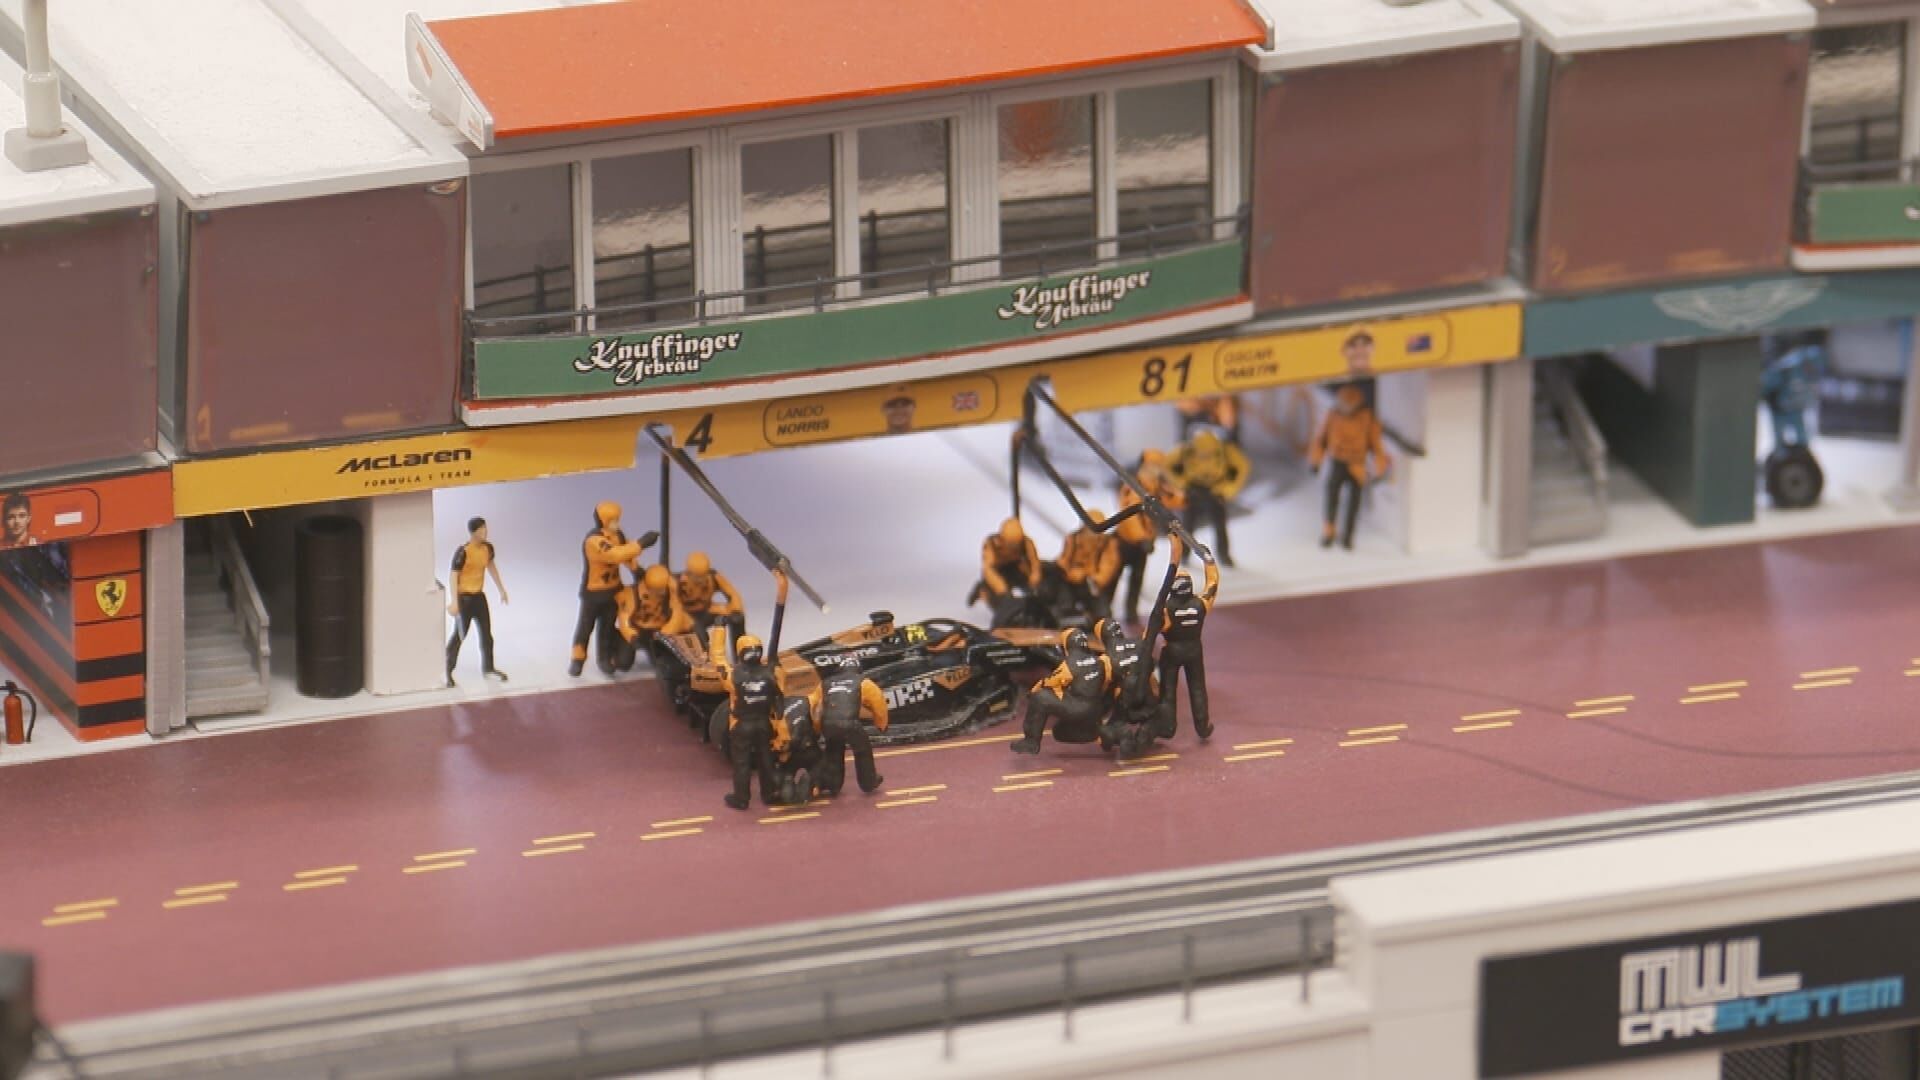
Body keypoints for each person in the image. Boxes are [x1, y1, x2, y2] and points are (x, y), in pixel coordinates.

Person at [570, 501, 657, 677]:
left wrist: (636, 569)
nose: (616, 523)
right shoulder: (594, 541)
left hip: (613, 592)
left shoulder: (618, 535)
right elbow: (615, 555)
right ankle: (577, 659)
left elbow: (626, 554)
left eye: (617, 519)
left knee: (607, 627)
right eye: (613, 520)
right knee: (585, 628)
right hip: (593, 593)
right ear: (603, 520)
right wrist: (641, 544)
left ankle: (604, 658)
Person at [1308, 381, 1391, 551]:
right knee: (1332, 497)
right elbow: (1322, 439)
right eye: (1343, 403)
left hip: (1357, 465)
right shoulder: (1333, 415)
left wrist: (1379, 468)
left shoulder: (1367, 418)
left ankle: (1348, 536)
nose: (1346, 407)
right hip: (1337, 462)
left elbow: (1376, 445)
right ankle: (1329, 532)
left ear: (1357, 403)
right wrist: (1316, 461)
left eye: (1349, 404)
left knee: (1354, 503)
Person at [1110, 451, 1185, 627]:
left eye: (1159, 466)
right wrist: (1141, 537)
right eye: (1154, 466)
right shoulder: (1134, 485)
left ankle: (1131, 611)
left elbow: (1170, 500)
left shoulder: (1156, 485)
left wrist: (1184, 497)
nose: (1157, 470)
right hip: (1124, 541)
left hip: (1143, 542)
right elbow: (1129, 513)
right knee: (1113, 577)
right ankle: (1104, 610)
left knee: (1136, 579)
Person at [1013, 628, 1112, 755]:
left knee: (1040, 697)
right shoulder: (1101, 661)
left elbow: (1050, 682)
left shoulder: (1069, 665)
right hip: (1096, 710)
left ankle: (1030, 742)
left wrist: (1032, 692)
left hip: (1078, 708)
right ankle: (1101, 733)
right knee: (1059, 732)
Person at [808, 654, 889, 795]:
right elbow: (879, 703)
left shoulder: (826, 683)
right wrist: (881, 725)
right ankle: (868, 782)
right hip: (851, 724)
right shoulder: (863, 682)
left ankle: (833, 784)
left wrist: (816, 728)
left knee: (833, 751)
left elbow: (813, 705)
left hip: (828, 724)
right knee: (862, 750)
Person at [1169, 430, 1249, 568]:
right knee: (1187, 525)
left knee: (1219, 525)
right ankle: (1184, 555)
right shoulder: (1185, 450)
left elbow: (1243, 466)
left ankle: (1224, 555)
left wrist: (1229, 488)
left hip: (1215, 490)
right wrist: (1181, 483)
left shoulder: (1224, 449)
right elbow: (1167, 464)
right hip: (1193, 489)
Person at [445, 517, 509, 686]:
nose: (485, 532)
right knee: (459, 635)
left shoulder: (487, 549)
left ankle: (488, 667)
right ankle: (447, 669)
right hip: (464, 599)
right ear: (473, 532)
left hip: (479, 598)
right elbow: (453, 576)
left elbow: (491, 567)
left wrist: (501, 589)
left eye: (485, 528)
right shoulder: (463, 551)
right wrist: (454, 601)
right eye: (481, 529)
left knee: (487, 635)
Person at [723, 635, 785, 810]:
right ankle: (770, 793)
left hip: (741, 724)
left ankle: (741, 798)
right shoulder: (772, 672)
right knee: (766, 759)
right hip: (764, 723)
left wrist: (720, 630)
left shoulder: (732, 674)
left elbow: (717, 658)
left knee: (741, 762)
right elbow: (780, 696)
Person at [1159, 564, 1220, 740]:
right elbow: (1212, 585)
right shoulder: (1201, 604)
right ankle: (1202, 726)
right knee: (1198, 688)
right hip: (1194, 650)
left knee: (1168, 690)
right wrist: (1209, 563)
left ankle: (1168, 726)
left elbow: (1153, 630)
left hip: (1171, 651)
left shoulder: (1165, 609)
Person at [1095, 617, 1163, 756]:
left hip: (1125, 703)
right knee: (1155, 720)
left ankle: (1122, 734)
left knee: (1107, 730)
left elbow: (1103, 688)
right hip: (1147, 698)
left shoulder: (1106, 659)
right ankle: (1147, 730)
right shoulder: (1140, 643)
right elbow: (1153, 671)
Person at [614, 563, 692, 669]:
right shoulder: (631, 593)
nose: (658, 593)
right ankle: (616, 640)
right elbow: (624, 618)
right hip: (637, 630)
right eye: (654, 590)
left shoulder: (671, 592)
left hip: (658, 631)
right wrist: (631, 636)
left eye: (661, 590)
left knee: (663, 664)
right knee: (623, 664)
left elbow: (677, 615)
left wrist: (666, 632)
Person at [1050, 509, 1120, 623]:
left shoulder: (1108, 543)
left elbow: (1107, 569)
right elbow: (1063, 560)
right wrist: (1070, 573)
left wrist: (1087, 576)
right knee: (1064, 604)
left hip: (1092, 584)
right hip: (1070, 581)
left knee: (1103, 615)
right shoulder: (1073, 538)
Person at [969, 517, 1042, 620]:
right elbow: (988, 569)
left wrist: (1035, 575)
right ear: (1002, 538)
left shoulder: (1026, 542)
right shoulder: (991, 544)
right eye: (1011, 543)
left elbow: (1034, 561)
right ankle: (981, 590)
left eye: (1016, 543)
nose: (1014, 547)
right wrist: (1002, 590)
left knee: (1035, 593)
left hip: (1015, 568)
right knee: (1000, 603)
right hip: (997, 571)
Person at [677, 551, 746, 645]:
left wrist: (736, 610)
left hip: (707, 611)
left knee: (738, 618)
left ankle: (741, 648)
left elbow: (732, 594)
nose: (701, 580)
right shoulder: (678, 583)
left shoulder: (714, 577)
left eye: (703, 576)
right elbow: (673, 606)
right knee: (699, 633)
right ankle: (704, 652)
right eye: (697, 577)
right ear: (688, 573)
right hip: (688, 616)